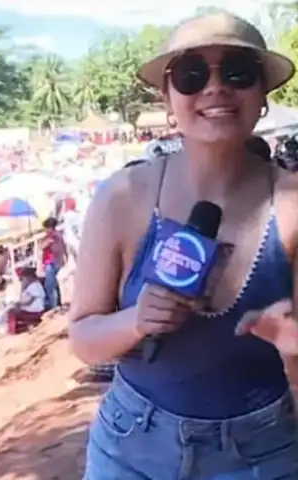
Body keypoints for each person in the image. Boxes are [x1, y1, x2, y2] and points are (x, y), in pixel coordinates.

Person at [69, 12, 298, 478]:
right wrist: (137, 321)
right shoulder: (122, 196)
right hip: (129, 449)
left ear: (263, 94)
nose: (215, 88)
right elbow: (83, 338)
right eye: (192, 74)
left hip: (262, 454)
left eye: (237, 71)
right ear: (168, 97)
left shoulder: (293, 206)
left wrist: (292, 347)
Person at [39, 217, 66, 310]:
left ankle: (54, 307)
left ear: (50, 227)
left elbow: (43, 247)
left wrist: (47, 243)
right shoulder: (57, 236)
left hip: (51, 262)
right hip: (54, 262)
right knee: (55, 285)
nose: (45, 230)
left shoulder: (53, 237)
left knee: (49, 286)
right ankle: (58, 304)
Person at [10, 267, 46, 333]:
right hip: (38, 308)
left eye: (23, 278)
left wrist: (19, 303)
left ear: (29, 277)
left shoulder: (33, 286)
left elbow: (29, 301)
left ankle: (31, 328)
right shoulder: (36, 284)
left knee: (18, 312)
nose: (22, 280)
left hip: (36, 310)